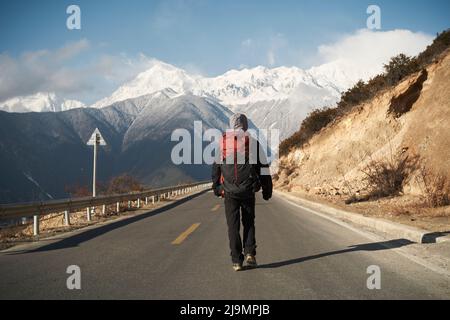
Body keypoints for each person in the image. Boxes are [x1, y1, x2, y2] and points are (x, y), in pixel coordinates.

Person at [212, 113, 273, 271]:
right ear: (245, 125)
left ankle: (236, 261)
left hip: (229, 192)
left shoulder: (223, 143)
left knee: (233, 226)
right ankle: (250, 254)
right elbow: (264, 168)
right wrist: (267, 190)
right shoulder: (252, 142)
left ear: (231, 125)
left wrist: (218, 189)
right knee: (248, 222)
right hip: (247, 190)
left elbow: (216, 168)